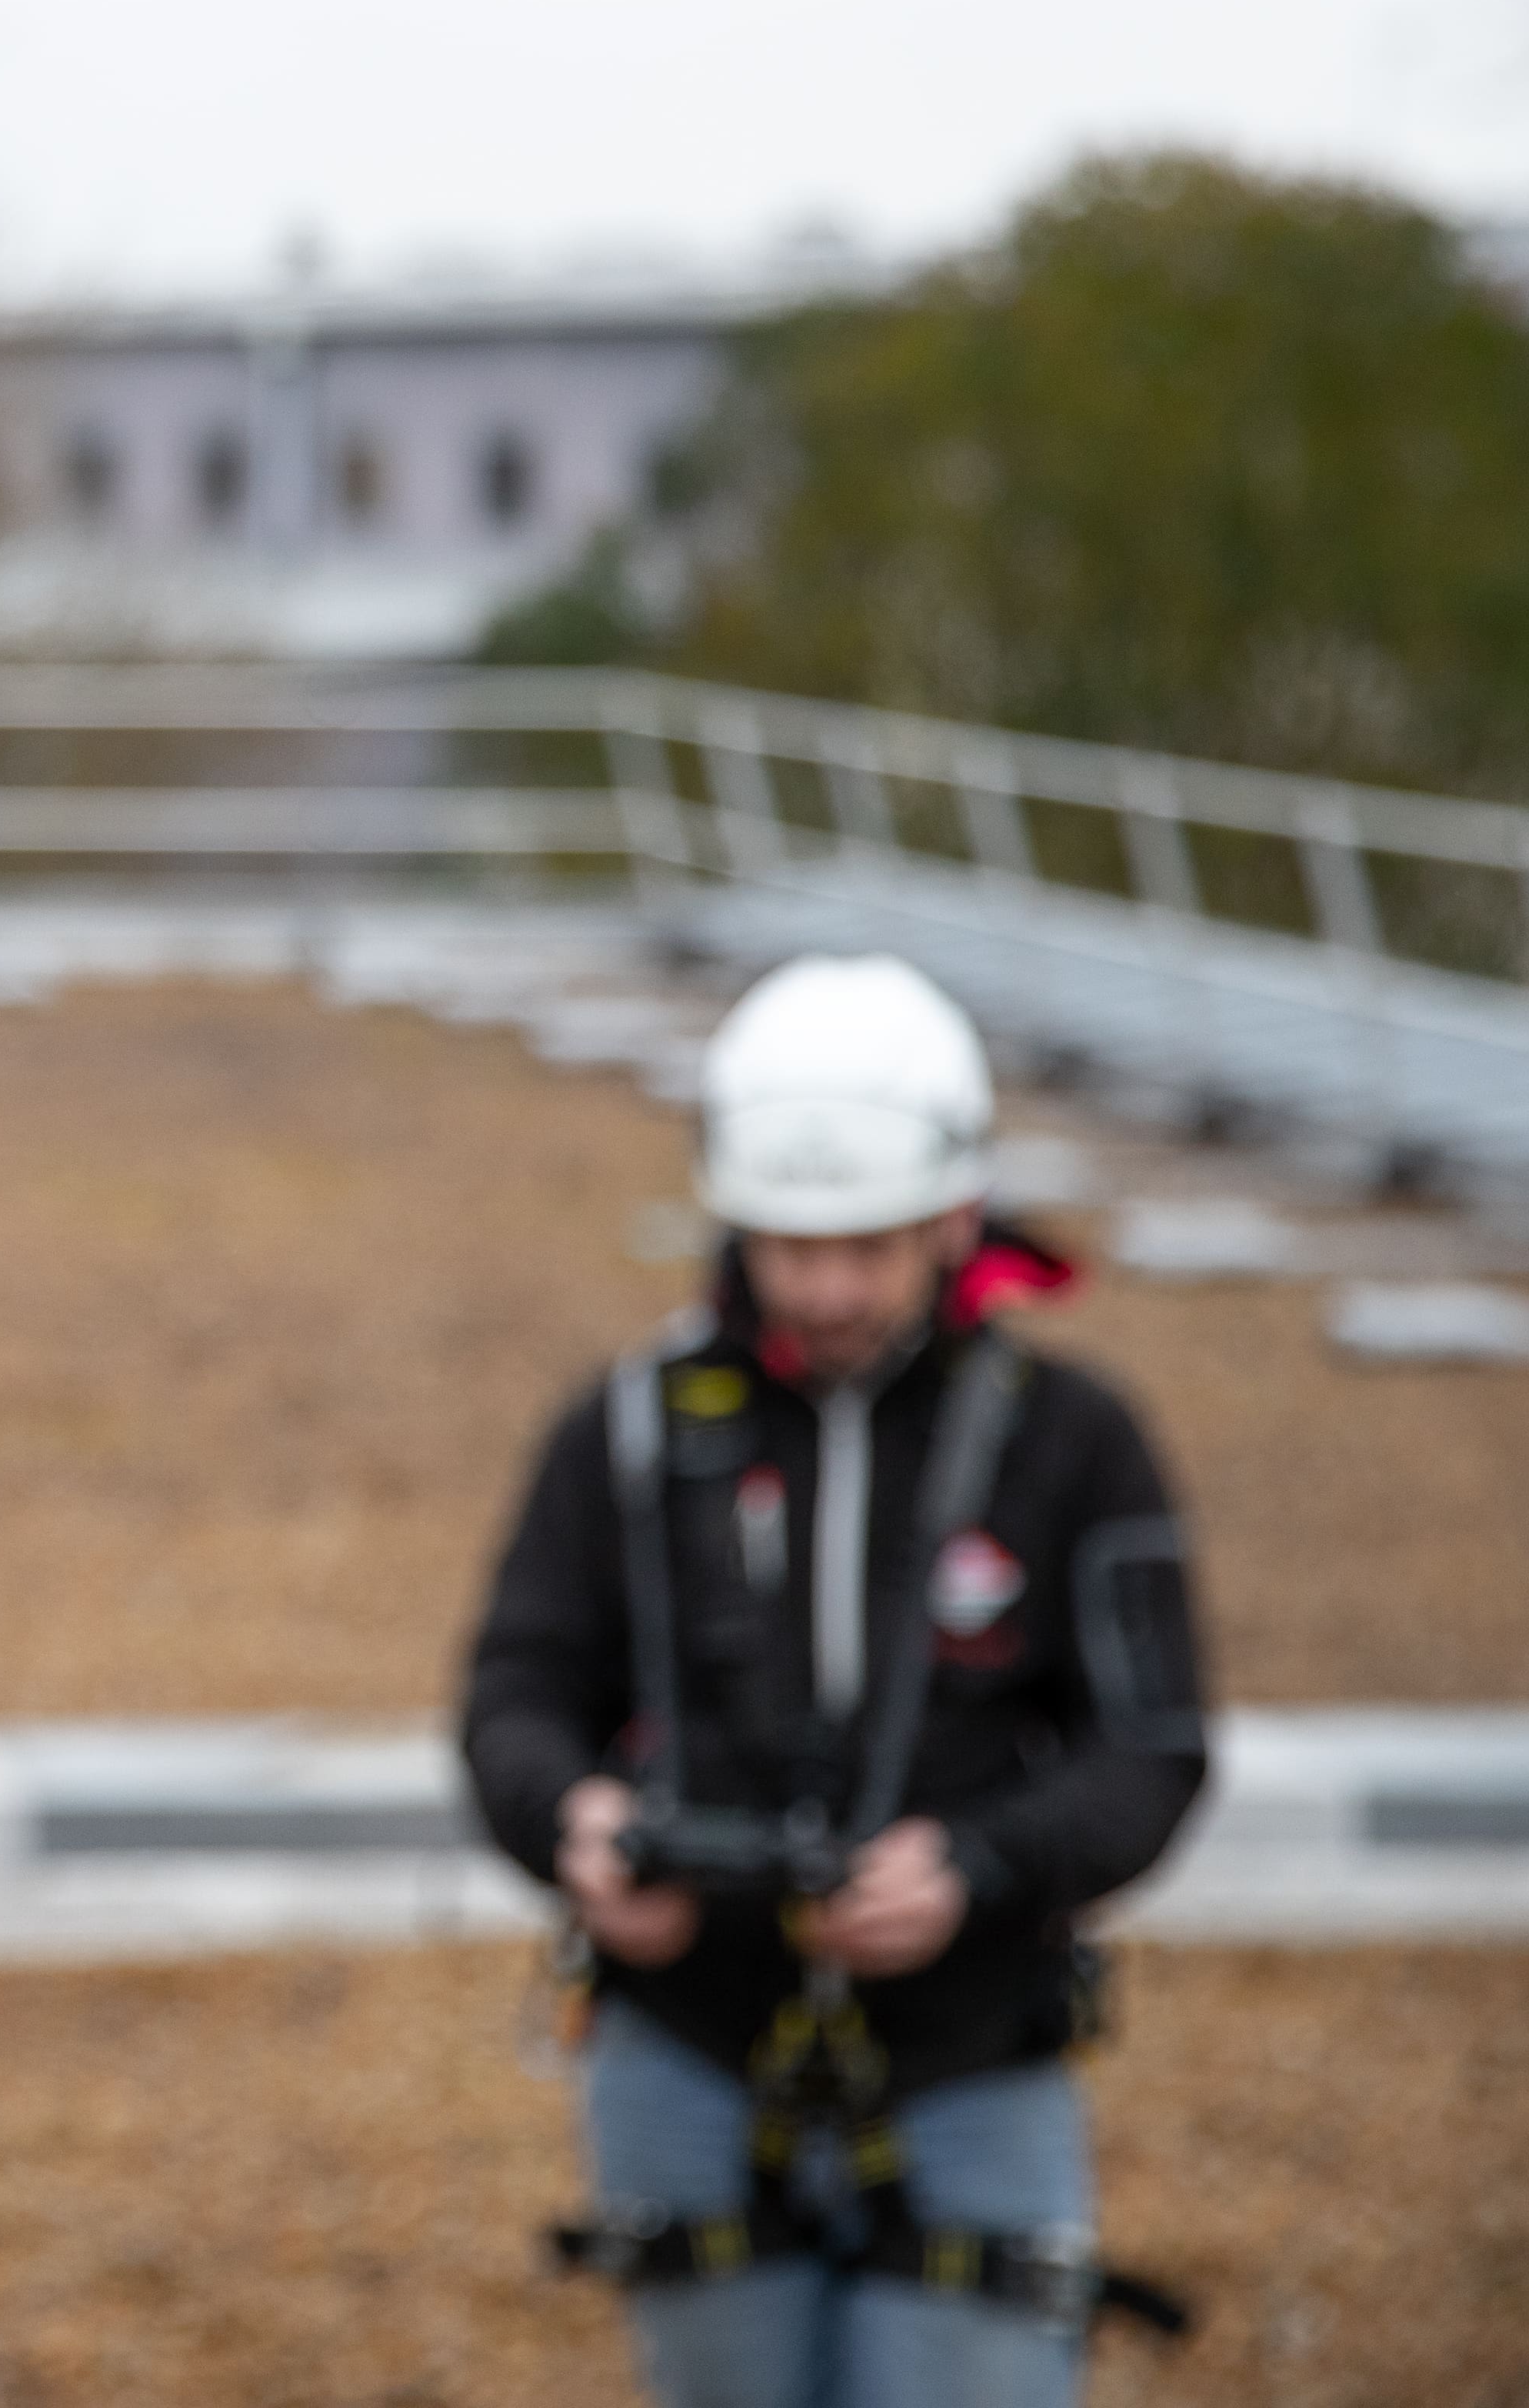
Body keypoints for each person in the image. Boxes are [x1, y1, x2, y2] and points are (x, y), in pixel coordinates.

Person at [459, 953, 1211, 2406]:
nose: (825, 1289)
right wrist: (575, 1827)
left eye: (869, 1246)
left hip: (972, 2059)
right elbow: (514, 1693)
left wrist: (981, 1866)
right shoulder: (627, 1433)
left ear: (956, 1217)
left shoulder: (1073, 1442)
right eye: (786, 1247)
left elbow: (1154, 1746)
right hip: (685, 2053)